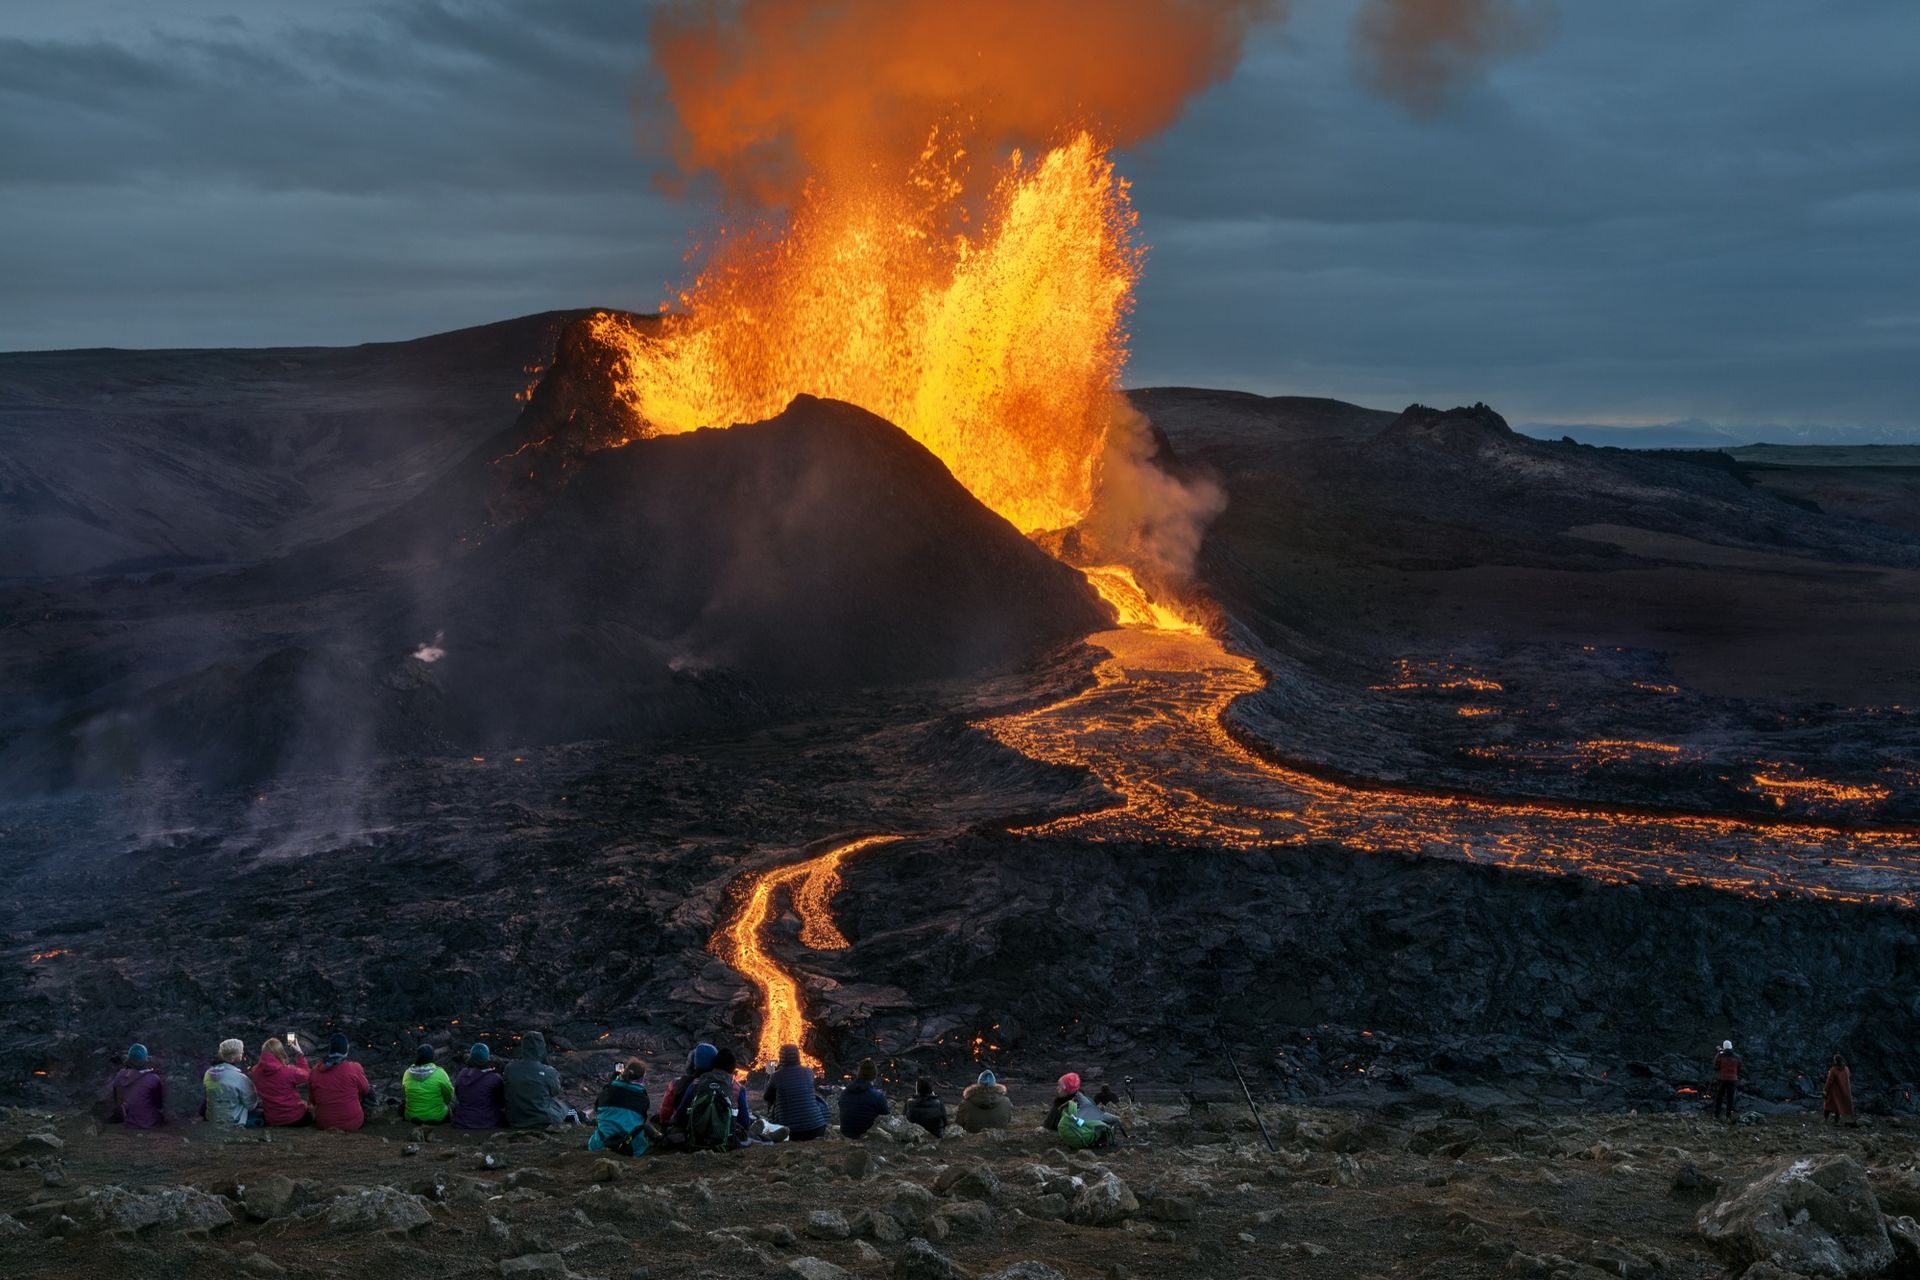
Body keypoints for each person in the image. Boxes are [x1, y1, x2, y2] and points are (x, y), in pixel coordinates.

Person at [672, 1046, 752, 1150]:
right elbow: (745, 1122)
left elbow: (681, 1114)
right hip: (726, 1142)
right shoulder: (738, 1088)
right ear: (733, 1068)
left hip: (696, 1140)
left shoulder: (696, 1084)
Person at [763, 1044, 831, 1141]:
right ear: (798, 1056)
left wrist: (769, 1074)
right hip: (818, 1128)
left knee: (774, 1103)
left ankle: (773, 1127)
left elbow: (767, 1098)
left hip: (792, 1133)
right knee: (816, 1099)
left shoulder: (776, 1076)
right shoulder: (809, 1072)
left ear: (781, 1057)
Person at [504, 1030, 570, 1128]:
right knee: (568, 1108)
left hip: (515, 1120)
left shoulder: (510, 1068)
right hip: (543, 1119)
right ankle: (583, 1123)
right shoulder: (548, 1071)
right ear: (542, 1047)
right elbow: (555, 1092)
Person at [588, 1058, 652, 1156]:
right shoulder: (643, 1099)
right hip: (630, 1148)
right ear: (642, 1079)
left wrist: (615, 1079)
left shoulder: (607, 1092)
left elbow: (597, 1108)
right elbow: (642, 1120)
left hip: (601, 1145)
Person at [309, 1034, 373, 1132]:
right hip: (352, 1124)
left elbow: (313, 1100)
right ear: (346, 1049)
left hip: (324, 1124)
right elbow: (365, 1090)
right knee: (367, 1091)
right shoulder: (354, 1068)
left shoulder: (314, 1071)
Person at [1046, 1071, 1117, 1149]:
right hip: (1088, 1132)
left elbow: (1048, 1124)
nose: (1057, 1088)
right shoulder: (1083, 1100)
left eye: (1060, 1086)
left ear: (1066, 1089)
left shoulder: (1061, 1104)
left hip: (1076, 1134)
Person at [252, 1036, 312, 1127]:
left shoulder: (255, 1072)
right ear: (280, 1052)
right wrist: (300, 1055)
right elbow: (307, 1075)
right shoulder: (288, 1071)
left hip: (272, 1119)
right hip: (296, 1118)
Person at [202, 1039, 261, 1127]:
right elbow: (250, 1105)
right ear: (234, 1056)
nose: (243, 1052)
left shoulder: (208, 1073)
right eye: (241, 1051)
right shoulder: (240, 1078)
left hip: (212, 1117)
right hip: (233, 1119)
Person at [105, 1043, 166, 1128]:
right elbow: (159, 1104)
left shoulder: (120, 1075)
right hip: (150, 1123)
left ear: (129, 1059)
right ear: (146, 1059)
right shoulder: (153, 1078)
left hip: (129, 1122)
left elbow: (117, 1100)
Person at [454, 1043, 507, 1130]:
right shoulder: (495, 1078)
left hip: (462, 1121)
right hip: (488, 1121)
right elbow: (501, 1102)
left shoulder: (462, 1075)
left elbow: (458, 1095)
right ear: (487, 1058)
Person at [402, 1044, 455, 1124]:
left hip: (411, 1116)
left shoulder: (407, 1073)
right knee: (452, 1106)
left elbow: (405, 1094)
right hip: (436, 1116)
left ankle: (417, 1118)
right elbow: (449, 1094)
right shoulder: (440, 1072)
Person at [838, 1057, 890, 1139]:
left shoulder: (844, 1093)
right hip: (866, 1135)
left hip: (845, 1133)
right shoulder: (878, 1096)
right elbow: (887, 1116)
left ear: (859, 1073)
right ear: (874, 1075)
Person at [1712, 1040, 1742, 1122]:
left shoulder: (1721, 1056)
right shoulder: (1737, 1057)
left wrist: (1718, 1053)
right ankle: (1728, 1115)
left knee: (1719, 1097)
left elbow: (1715, 1066)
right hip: (1733, 1080)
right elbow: (1740, 1068)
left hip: (1722, 1079)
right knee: (1730, 1098)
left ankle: (1716, 1115)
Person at [1824, 1054, 1854, 1125]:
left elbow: (1829, 1081)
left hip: (1834, 1091)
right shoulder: (1846, 1069)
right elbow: (1848, 1076)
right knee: (1838, 1105)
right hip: (1843, 1090)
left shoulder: (1833, 1070)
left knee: (1828, 1105)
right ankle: (1836, 1120)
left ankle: (1826, 1119)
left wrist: (1825, 1089)